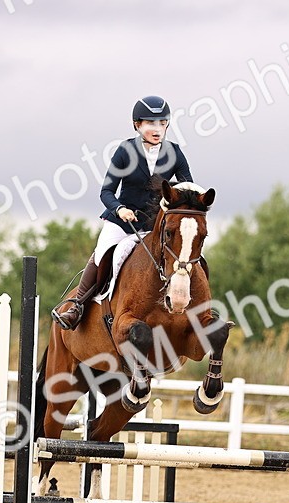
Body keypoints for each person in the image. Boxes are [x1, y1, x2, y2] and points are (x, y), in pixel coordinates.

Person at [51, 95, 195, 330]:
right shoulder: (125, 151)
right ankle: (77, 306)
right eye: (150, 123)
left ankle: (195, 304)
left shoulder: (175, 153)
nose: (157, 129)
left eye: (162, 123)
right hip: (122, 221)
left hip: (154, 225)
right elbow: (106, 191)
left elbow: (187, 186)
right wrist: (120, 209)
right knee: (102, 252)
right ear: (137, 125)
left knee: (184, 252)